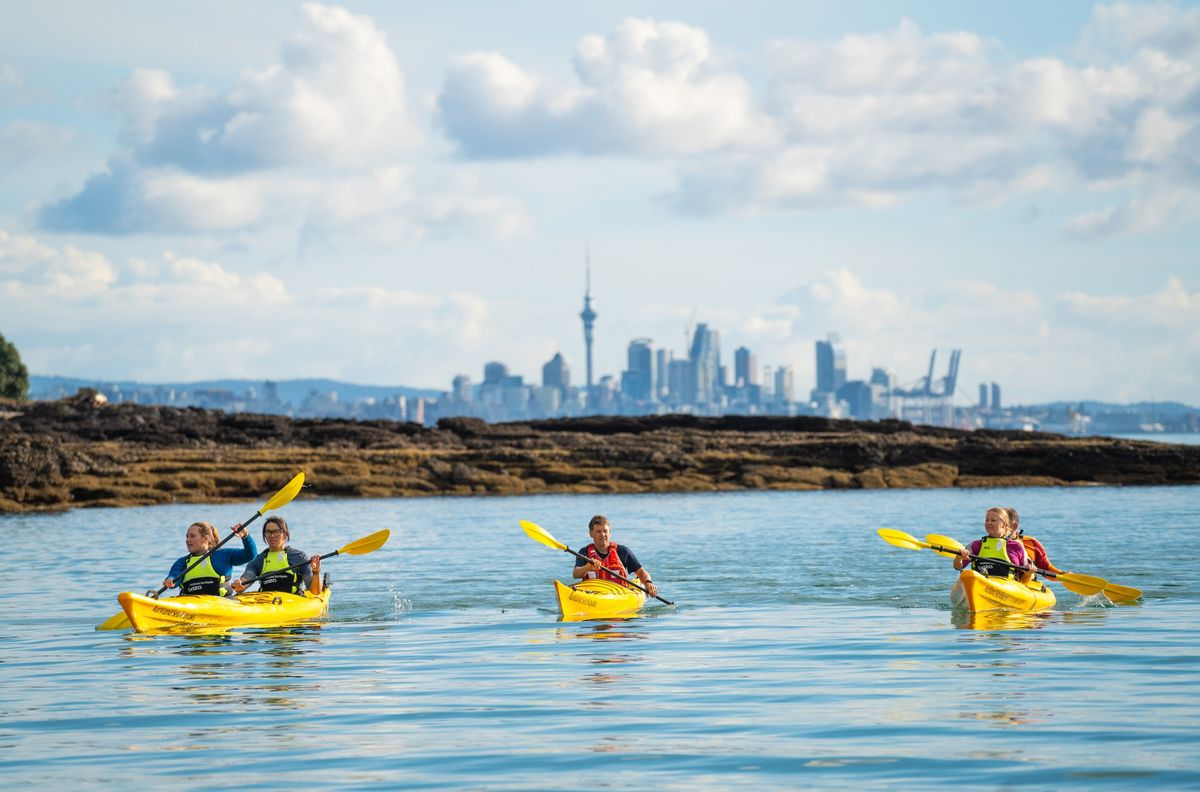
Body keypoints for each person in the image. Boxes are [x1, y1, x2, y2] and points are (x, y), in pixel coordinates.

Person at [230, 515, 322, 596]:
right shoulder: (259, 560)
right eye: (268, 532)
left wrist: (316, 572)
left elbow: (315, 591)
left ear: (285, 535)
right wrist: (240, 584)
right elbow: (247, 577)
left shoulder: (299, 557)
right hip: (266, 603)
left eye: (276, 531)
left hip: (293, 602)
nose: (272, 535)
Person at [162, 521, 256, 597]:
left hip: (222, 603)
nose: (188, 540)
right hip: (190, 604)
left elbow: (250, 555)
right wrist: (169, 581)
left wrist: (245, 536)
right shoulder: (182, 562)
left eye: (192, 536)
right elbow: (174, 575)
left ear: (205, 539)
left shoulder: (222, 555)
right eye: (187, 536)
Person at [573, 514, 657, 598]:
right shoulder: (584, 552)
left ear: (609, 532)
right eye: (598, 531)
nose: (602, 534)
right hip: (592, 595)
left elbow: (641, 573)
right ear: (591, 533)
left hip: (618, 596)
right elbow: (576, 574)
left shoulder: (623, 551)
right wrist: (587, 567)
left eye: (605, 531)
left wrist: (648, 582)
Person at [954, 506, 1034, 582]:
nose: (989, 523)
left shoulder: (1016, 546)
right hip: (979, 583)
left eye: (993, 520)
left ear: (1004, 524)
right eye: (987, 520)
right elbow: (958, 566)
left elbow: (1024, 581)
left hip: (1007, 587)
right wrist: (958, 557)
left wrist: (1029, 572)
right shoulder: (976, 545)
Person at [1006, 507, 1066, 576]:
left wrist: (1061, 574)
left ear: (1014, 526)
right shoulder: (992, 542)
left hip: (1023, 583)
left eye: (1004, 524)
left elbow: (1046, 568)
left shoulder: (1030, 543)